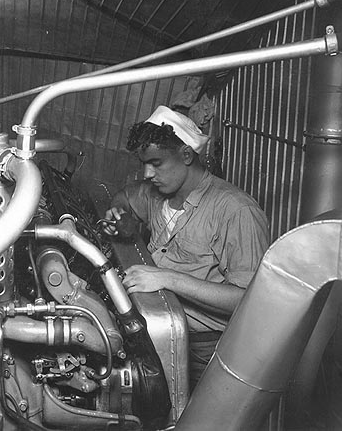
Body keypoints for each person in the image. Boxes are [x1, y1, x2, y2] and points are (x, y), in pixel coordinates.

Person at [104, 105, 269, 390]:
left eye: (156, 163)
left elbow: (249, 301)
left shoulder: (236, 210)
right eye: (143, 163)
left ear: (186, 155)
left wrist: (168, 278)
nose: (147, 173)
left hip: (204, 350)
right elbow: (124, 198)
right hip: (156, 331)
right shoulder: (158, 193)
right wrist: (121, 216)